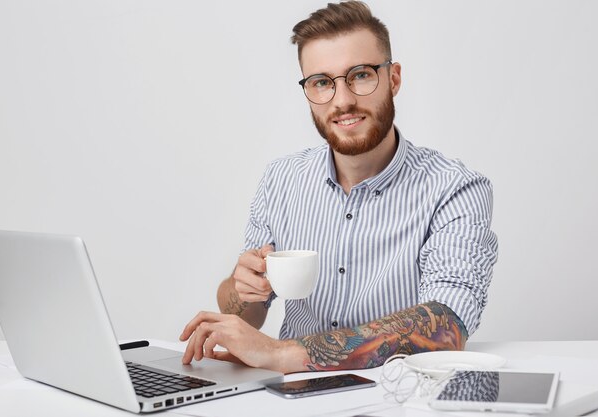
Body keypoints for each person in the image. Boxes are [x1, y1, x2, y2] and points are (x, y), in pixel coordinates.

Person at [180, 1, 498, 374]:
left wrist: (280, 354)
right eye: (322, 83)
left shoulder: (455, 188)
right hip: (286, 399)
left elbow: (445, 326)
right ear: (308, 92)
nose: (343, 100)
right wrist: (242, 290)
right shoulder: (281, 179)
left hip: (396, 395)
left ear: (393, 78)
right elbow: (250, 317)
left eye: (361, 75)